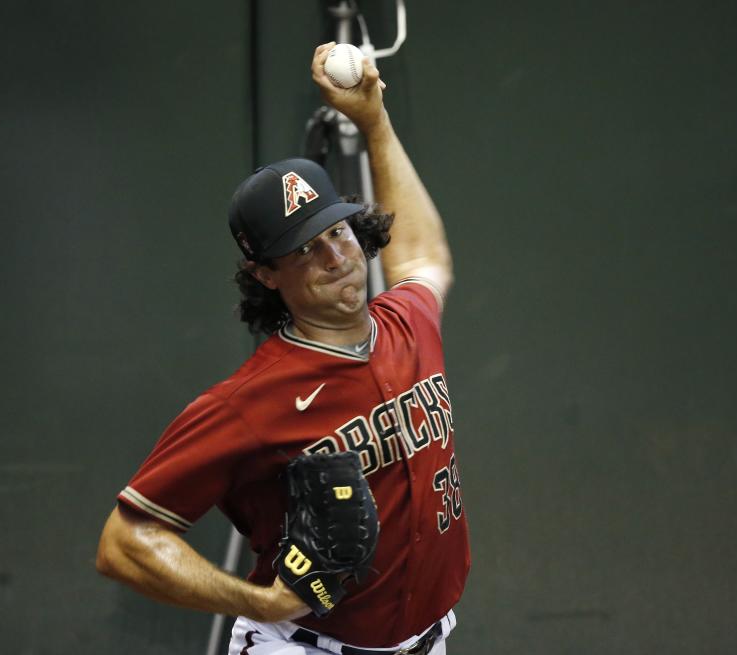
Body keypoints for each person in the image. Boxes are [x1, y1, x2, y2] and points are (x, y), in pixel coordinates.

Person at [96, 42, 470, 655]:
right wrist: (261, 601)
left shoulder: (408, 323)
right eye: (303, 249)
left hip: (427, 641)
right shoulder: (249, 402)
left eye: (338, 232)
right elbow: (125, 541)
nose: (335, 258)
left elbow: (425, 255)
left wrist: (374, 120)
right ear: (266, 273)